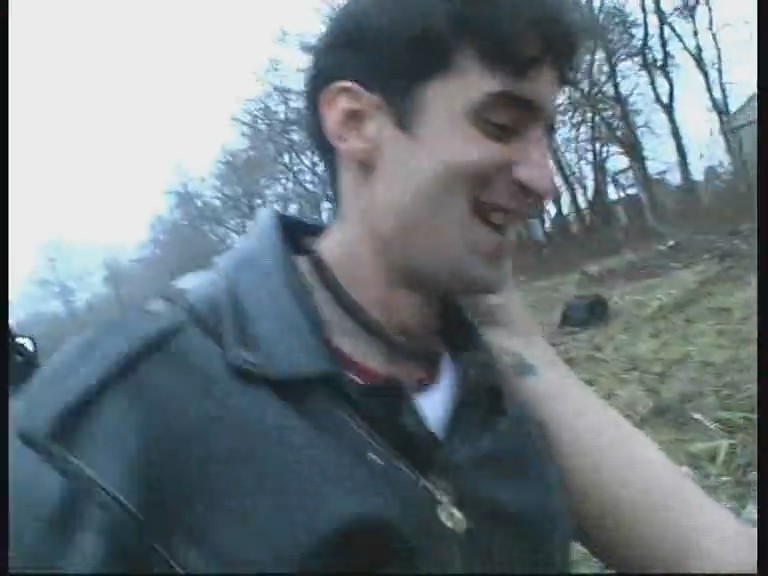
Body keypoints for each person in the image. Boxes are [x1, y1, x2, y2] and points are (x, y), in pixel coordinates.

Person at [9, 0, 756, 573]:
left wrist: (511, 337)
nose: (544, 179)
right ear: (356, 122)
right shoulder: (109, 417)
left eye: (547, 136)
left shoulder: (491, 371)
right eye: (502, 126)